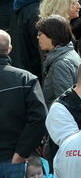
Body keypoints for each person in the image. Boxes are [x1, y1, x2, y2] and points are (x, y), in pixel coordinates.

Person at [0, 29, 47, 176]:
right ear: (9, 49)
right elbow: (39, 118)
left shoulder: (25, 80)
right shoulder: (25, 79)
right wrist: (22, 153)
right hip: (14, 160)